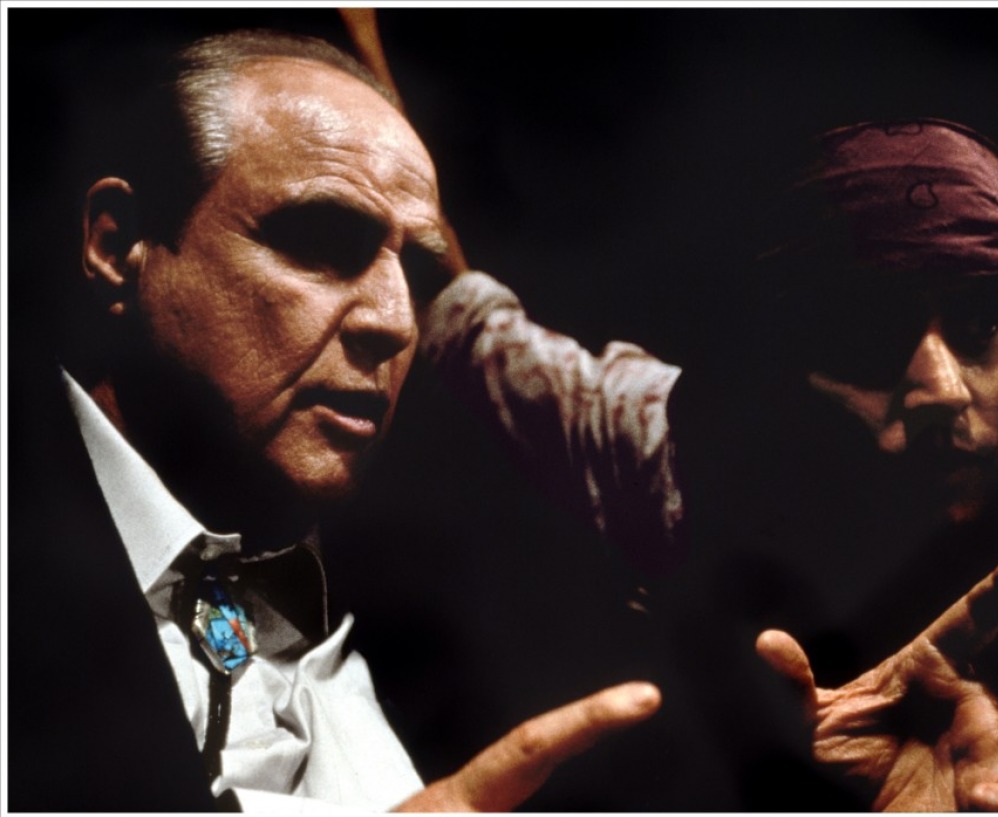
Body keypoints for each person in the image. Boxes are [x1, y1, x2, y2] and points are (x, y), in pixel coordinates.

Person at [419, 119, 998, 809]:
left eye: (980, 322)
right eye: (871, 330)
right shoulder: (678, 452)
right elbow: (478, 328)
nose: (945, 390)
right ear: (778, 367)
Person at [5, 29, 664, 812]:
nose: (396, 322)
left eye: (415, 273)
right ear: (116, 247)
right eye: (323, 242)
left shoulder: (461, 624)